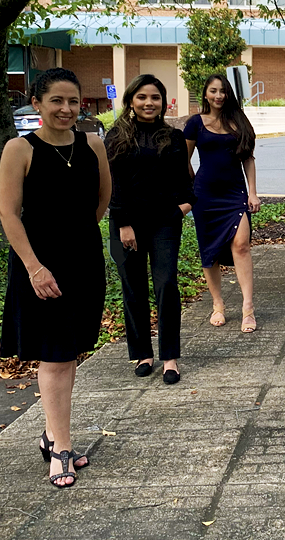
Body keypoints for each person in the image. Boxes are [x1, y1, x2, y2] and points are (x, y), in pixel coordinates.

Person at [0, 68, 111, 488]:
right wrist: (35, 266)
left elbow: (102, 200)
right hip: (39, 267)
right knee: (56, 354)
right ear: (37, 104)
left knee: (69, 352)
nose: (66, 109)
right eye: (57, 101)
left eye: (73, 101)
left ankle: (51, 434)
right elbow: (8, 213)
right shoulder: (19, 149)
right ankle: (60, 447)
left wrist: (78, 239)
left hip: (84, 261)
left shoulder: (93, 144)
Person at [105, 74, 195, 384]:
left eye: (155, 97)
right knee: (133, 288)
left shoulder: (172, 137)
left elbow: (185, 183)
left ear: (163, 102)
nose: (148, 103)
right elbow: (113, 185)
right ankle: (143, 353)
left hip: (164, 223)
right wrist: (124, 223)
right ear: (131, 100)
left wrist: (180, 210)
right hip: (123, 224)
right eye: (142, 97)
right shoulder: (116, 136)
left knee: (167, 284)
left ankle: (169, 357)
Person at [184, 74, 261, 333]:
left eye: (223, 91)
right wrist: (193, 185)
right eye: (213, 91)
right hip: (205, 196)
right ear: (205, 94)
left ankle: (248, 308)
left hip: (235, 194)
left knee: (241, 245)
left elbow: (248, 159)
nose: (218, 96)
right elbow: (183, 159)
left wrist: (253, 192)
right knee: (210, 251)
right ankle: (218, 304)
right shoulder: (195, 123)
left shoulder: (237, 121)